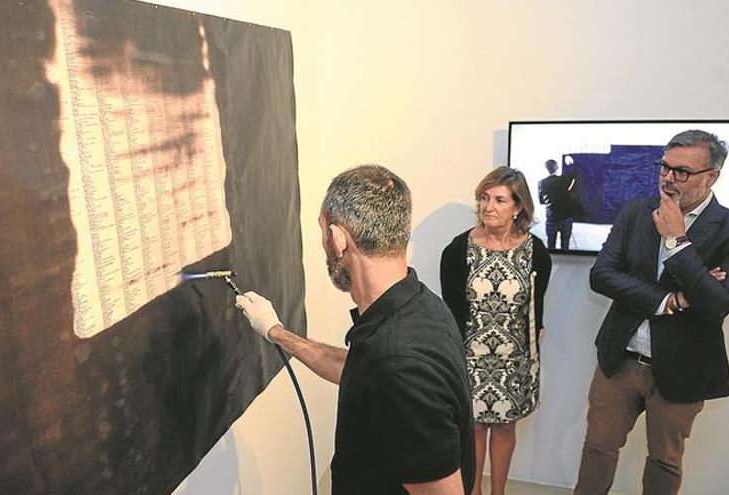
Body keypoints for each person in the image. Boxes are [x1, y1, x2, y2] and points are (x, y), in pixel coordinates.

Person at [235, 164, 476, 494]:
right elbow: (359, 369)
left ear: (337, 239)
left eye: (323, 229)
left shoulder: (398, 365)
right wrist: (275, 331)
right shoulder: (418, 306)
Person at [574, 130, 729, 495]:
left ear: (712, 177)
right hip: (620, 358)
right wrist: (673, 300)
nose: (669, 178)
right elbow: (602, 275)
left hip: (683, 367)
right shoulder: (636, 211)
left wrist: (677, 241)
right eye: (665, 167)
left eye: (682, 172)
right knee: (598, 448)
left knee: (665, 461)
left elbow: (717, 304)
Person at [440, 167, 551, 495]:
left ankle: (498, 492)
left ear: (518, 207)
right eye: (484, 198)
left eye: (499, 200)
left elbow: (536, 305)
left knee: (504, 430)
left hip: (514, 360)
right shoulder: (458, 251)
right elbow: (450, 312)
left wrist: (533, 350)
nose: (489, 206)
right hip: (469, 358)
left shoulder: (536, 252)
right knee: (472, 429)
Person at [538, 157, 578, 249]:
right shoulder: (563, 180)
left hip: (551, 218)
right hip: (566, 218)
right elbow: (575, 172)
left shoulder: (541, 183)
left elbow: (541, 201)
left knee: (551, 247)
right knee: (565, 247)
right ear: (557, 168)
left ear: (546, 169)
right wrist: (571, 162)